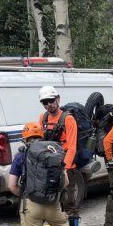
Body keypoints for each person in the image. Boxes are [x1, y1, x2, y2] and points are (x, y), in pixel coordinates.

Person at [36, 85, 79, 219]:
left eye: (51, 100)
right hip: (50, 166)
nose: (49, 104)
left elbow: (72, 147)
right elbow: (40, 143)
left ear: (57, 99)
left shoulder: (68, 119)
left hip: (66, 166)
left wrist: (64, 168)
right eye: (45, 102)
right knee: (51, 203)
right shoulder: (43, 118)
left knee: (68, 202)